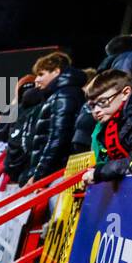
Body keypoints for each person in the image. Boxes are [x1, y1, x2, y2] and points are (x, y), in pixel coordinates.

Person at [24, 52, 86, 183]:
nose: (36, 80)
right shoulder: (60, 94)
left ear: (56, 71)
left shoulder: (63, 94)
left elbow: (58, 138)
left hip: (56, 174)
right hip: (54, 171)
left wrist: (39, 175)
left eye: (41, 74)